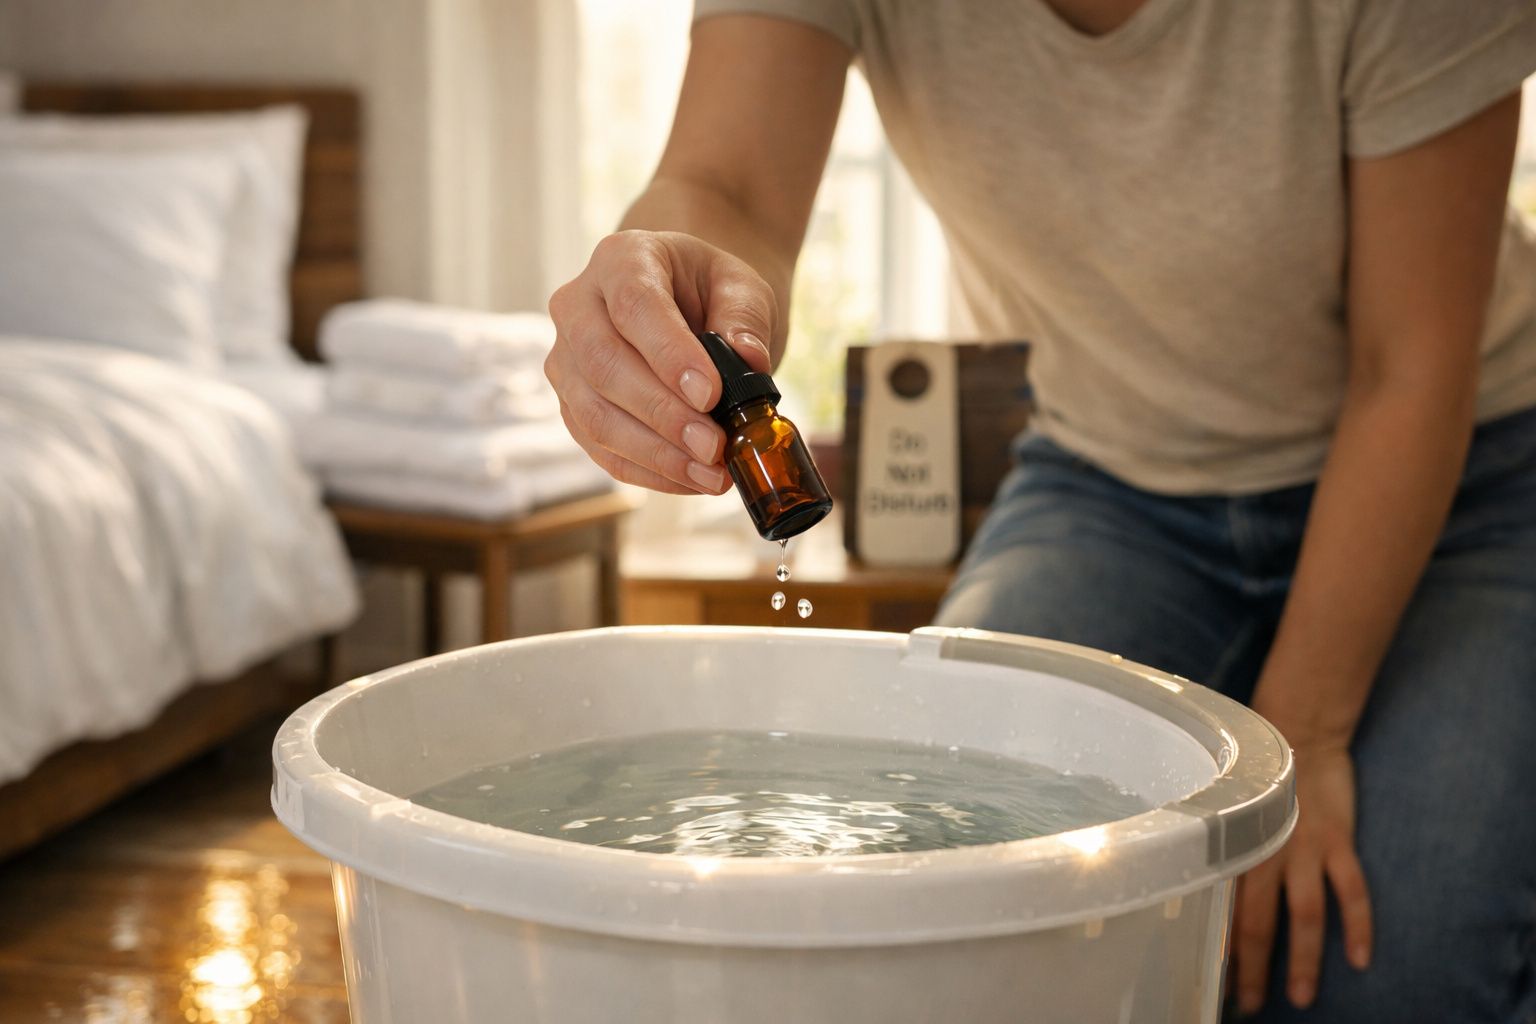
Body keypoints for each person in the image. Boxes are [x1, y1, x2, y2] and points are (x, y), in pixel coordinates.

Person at [544, 2, 1536, 1019]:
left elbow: (1407, 368)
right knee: (952, 873)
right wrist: (662, 281)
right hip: (1115, 474)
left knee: (1382, 973)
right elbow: (730, 187)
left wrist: (1307, 737)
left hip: (1468, 476)